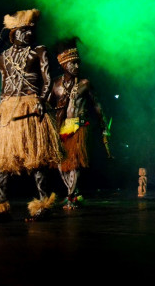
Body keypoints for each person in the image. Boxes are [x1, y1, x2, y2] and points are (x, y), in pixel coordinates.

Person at [0, 9, 62, 224]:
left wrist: (42, 103)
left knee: (36, 160)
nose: (28, 34)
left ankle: (44, 205)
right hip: (8, 109)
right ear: (13, 33)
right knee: (2, 162)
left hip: (32, 107)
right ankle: (2, 209)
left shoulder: (40, 51)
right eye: (23, 31)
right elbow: (3, 86)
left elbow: (47, 81)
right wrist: (1, 110)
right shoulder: (3, 57)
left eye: (30, 31)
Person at [49, 37, 112, 210]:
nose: (76, 67)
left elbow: (97, 106)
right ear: (63, 64)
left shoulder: (85, 84)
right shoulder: (55, 84)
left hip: (79, 125)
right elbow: (48, 106)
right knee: (62, 164)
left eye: (78, 63)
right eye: (73, 64)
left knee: (75, 163)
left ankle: (71, 196)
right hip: (63, 127)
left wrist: (104, 128)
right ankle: (74, 194)